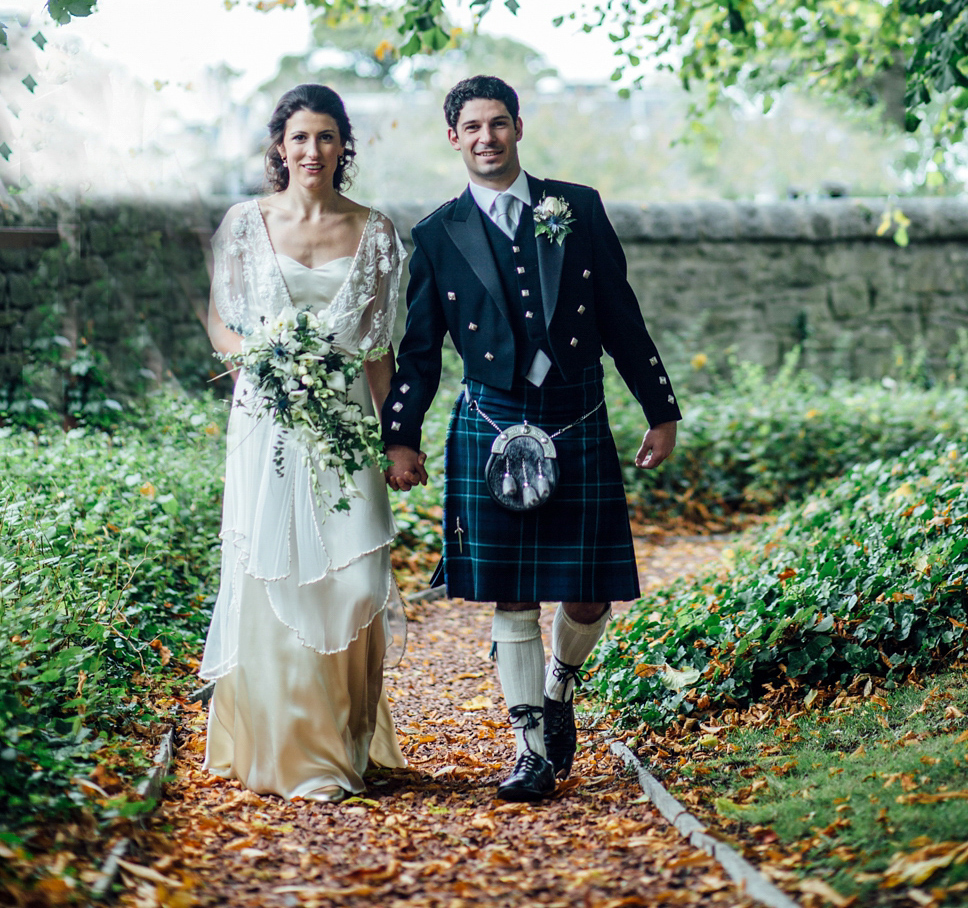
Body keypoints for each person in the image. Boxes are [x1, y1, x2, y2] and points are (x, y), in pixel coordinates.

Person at [381, 74, 680, 804]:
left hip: (575, 413)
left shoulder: (574, 208)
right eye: (472, 127)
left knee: (586, 595)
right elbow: (419, 350)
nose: (487, 138)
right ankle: (529, 750)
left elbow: (620, 315)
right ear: (453, 137)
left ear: (519, 127)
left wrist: (660, 408)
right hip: (491, 423)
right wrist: (401, 436)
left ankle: (559, 687)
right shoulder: (436, 233)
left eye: (498, 124)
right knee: (511, 597)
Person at [200, 83, 406, 801]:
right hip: (269, 424)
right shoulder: (243, 224)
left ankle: (344, 739)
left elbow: (379, 348)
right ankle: (290, 750)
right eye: (299, 138)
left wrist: (399, 439)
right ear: (279, 148)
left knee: (351, 576)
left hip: (346, 427)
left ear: (344, 145)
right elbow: (221, 321)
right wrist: (259, 362)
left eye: (326, 137)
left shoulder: (376, 232)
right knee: (277, 569)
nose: (312, 151)